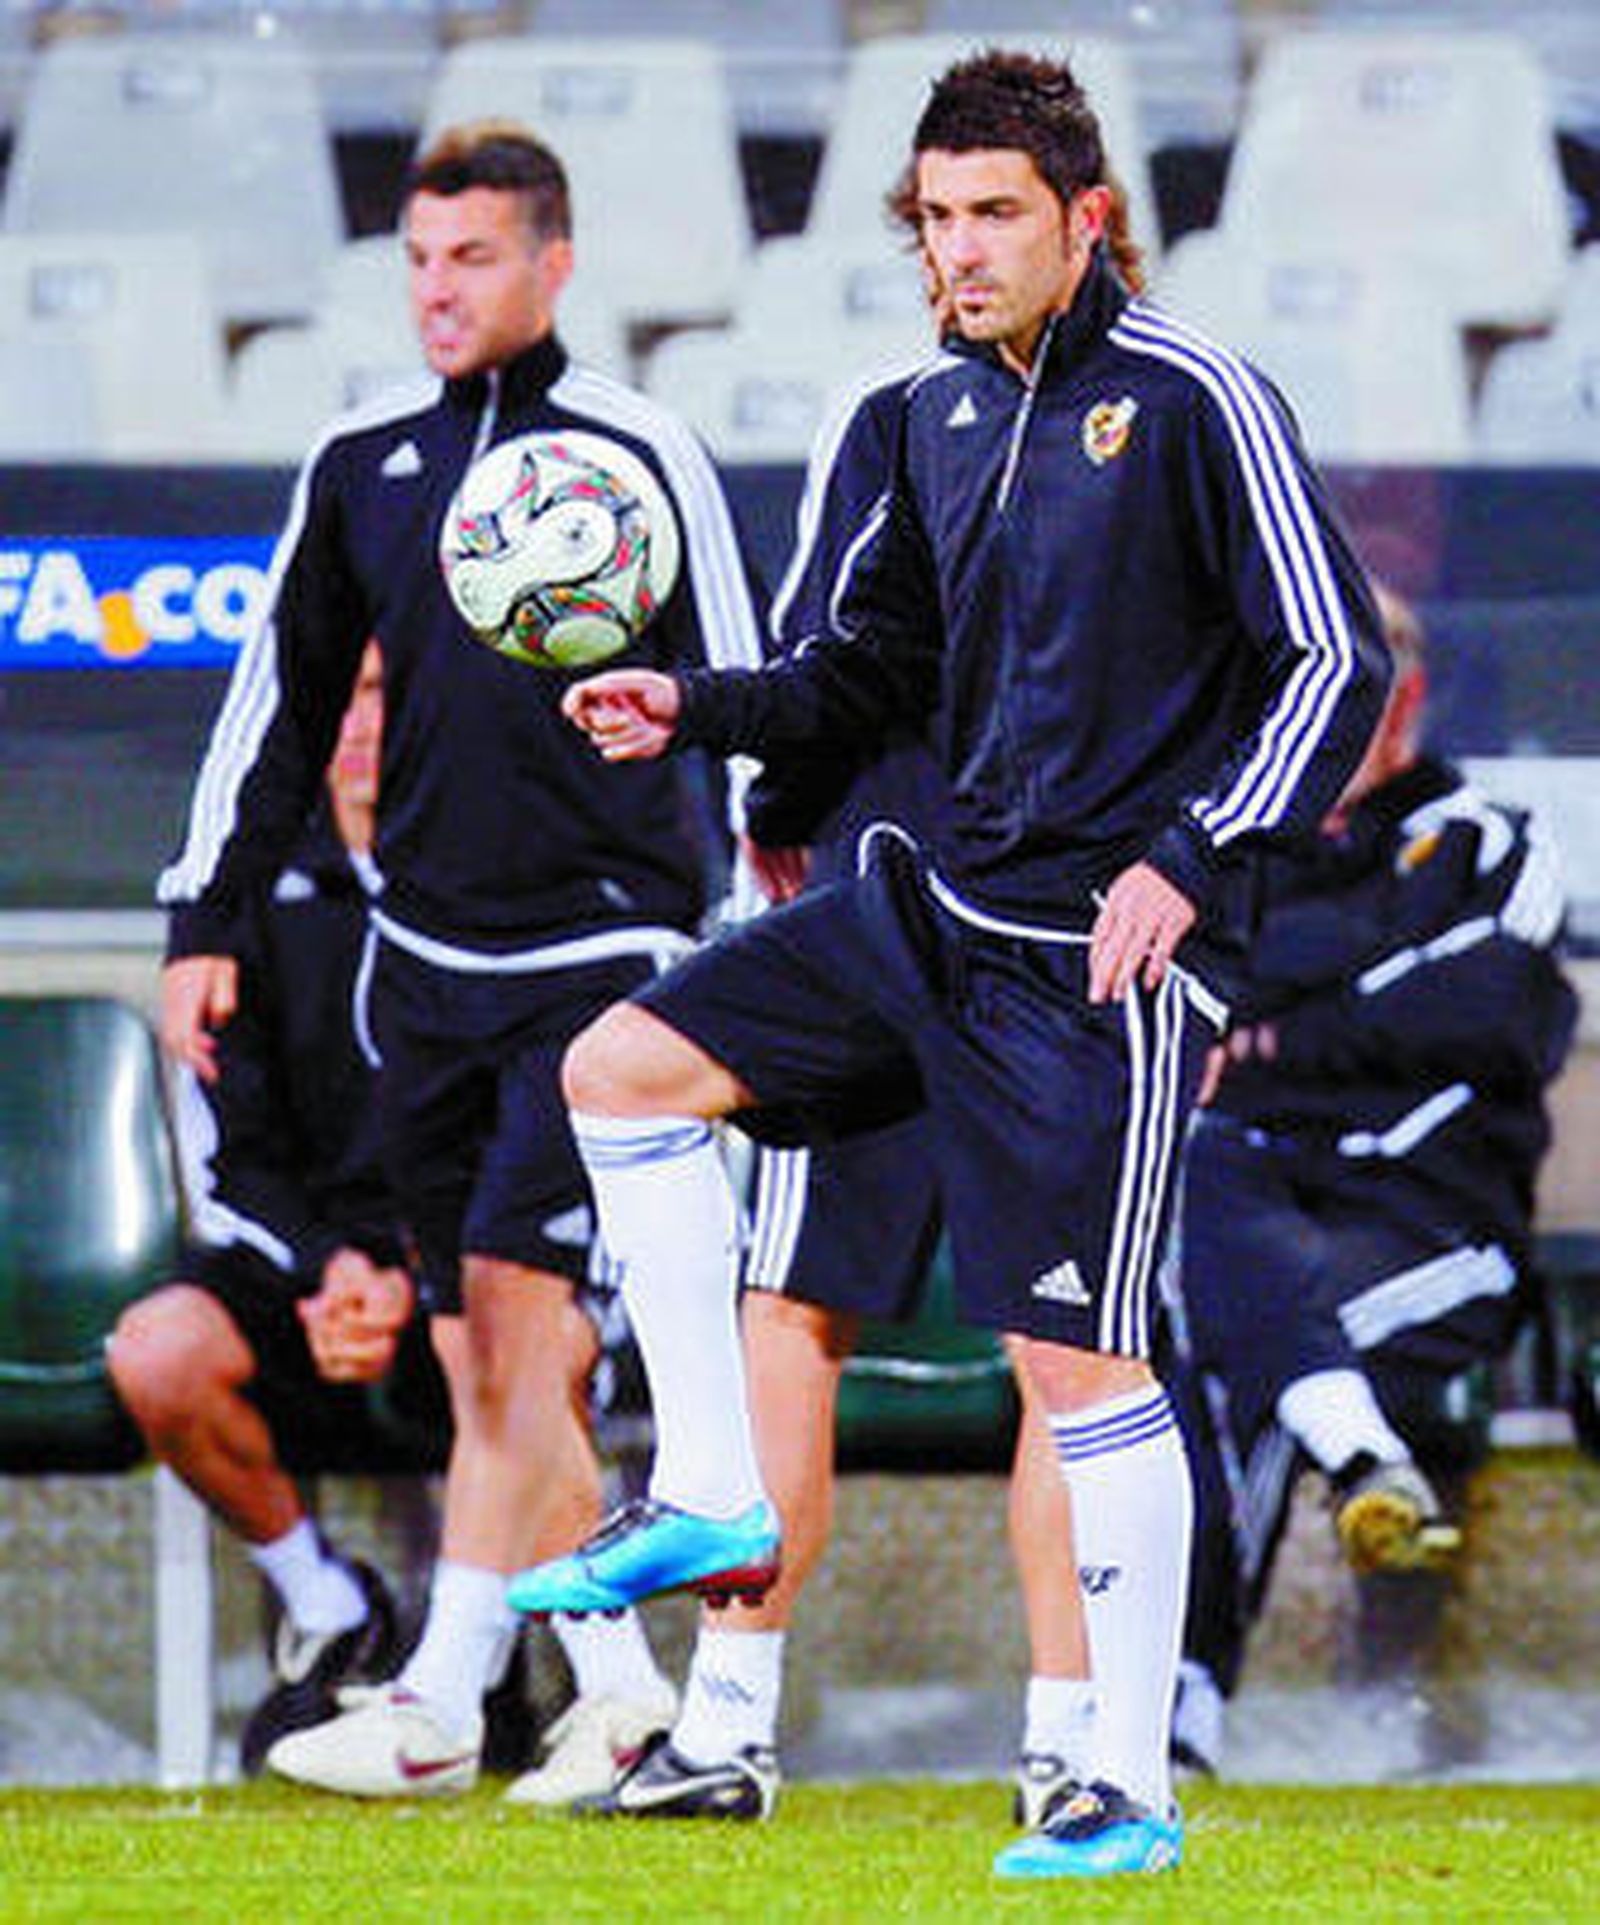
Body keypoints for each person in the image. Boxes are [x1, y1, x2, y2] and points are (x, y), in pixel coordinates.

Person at [511, 49, 1391, 1880]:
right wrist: (694, 703)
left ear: (1086, 220)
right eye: (935, 218)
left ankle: (1119, 1786)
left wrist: (1189, 858)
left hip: (1096, 950)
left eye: (996, 215)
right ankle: (706, 1484)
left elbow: (1331, 664)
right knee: (622, 1069)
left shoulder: (1200, 398)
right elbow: (860, 675)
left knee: (1079, 1362)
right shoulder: (928, 418)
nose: (961, 250)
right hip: (935, 898)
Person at [155, 119, 764, 1801]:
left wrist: (787, 907)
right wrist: (206, 922)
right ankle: (621, 1689)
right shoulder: (360, 462)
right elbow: (274, 708)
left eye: (475, 256)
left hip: (607, 964)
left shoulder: (642, 448)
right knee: (470, 1348)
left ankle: (439, 1692)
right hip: (418, 964)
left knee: (521, 1323)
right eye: (421, 259)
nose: (441, 289)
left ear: (554, 264)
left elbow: (749, 687)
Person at [579, 342, 1097, 1828]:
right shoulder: (1182, 421)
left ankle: (731, 1726)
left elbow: (830, 653)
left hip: (894, 918)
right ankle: (1071, 1745)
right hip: (1063, 944)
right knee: (1064, 1350)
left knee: (797, 1317)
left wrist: (779, 809)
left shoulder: (892, 414)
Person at [1163, 584, 1578, 1776]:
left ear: (1402, 697)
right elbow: (1186, 1005)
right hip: (1249, 1195)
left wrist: (1281, 1031)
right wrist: (1368, 979)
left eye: (1355, 687)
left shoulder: (1489, 834)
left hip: (1432, 1229)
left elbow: (1492, 1009)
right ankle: (1343, 1456)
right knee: (1200, 1264)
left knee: (1265, 1334)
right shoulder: (1228, 857)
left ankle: (1185, 1696)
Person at [110, 644, 431, 1775]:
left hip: (462, 1265)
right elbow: (228, 1148)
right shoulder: (237, 889)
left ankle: (523, 1665)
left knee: (533, 1336)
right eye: (332, 698)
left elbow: (530, 1130)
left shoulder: (498, 875)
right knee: (157, 1352)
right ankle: (332, 1604)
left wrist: (407, 1271)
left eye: (381, 695)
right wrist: (332, 1268)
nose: (354, 724)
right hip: (301, 1265)